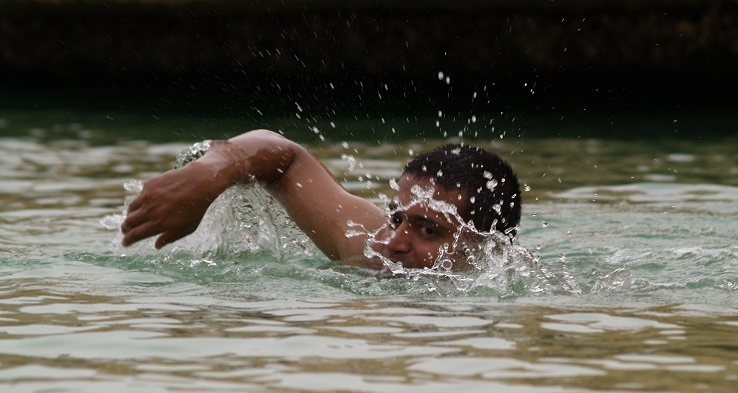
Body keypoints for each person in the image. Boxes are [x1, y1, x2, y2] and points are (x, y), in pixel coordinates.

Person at [120, 129, 521, 272]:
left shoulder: (522, 294)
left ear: (491, 249)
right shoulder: (368, 243)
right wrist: (206, 174)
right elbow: (283, 155)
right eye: (396, 218)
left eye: (428, 230)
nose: (394, 242)